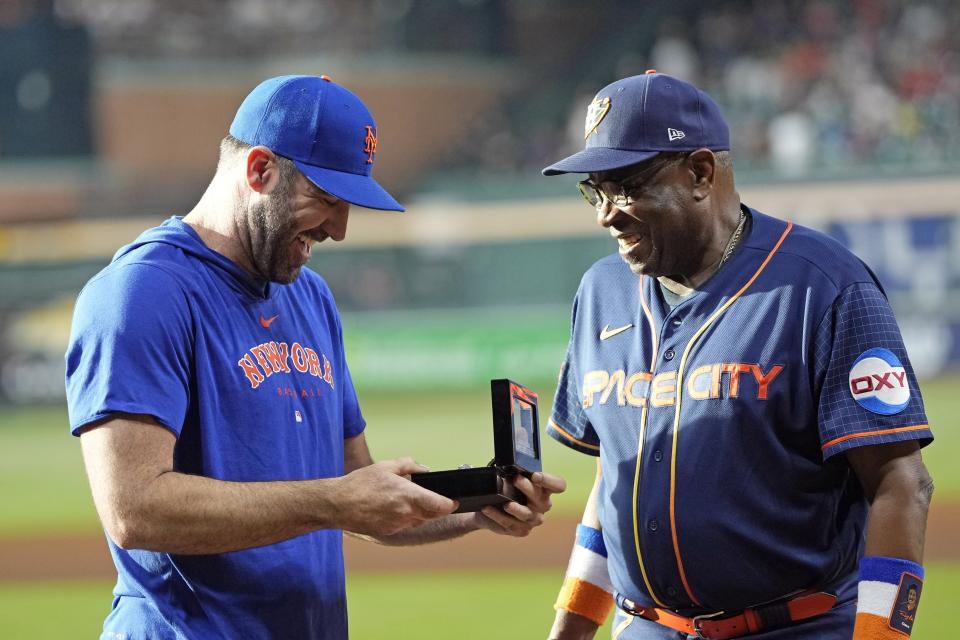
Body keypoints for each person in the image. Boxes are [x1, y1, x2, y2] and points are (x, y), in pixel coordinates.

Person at [64, 74, 565, 640]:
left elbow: (355, 489)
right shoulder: (142, 293)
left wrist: (475, 508)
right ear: (260, 171)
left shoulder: (309, 295)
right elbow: (135, 509)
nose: (340, 228)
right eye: (326, 198)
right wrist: (332, 501)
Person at [540, 71, 933, 639]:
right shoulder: (602, 292)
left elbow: (900, 481)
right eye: (595, 190)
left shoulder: (823, 286)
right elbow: (614, 482)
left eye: (625, 186)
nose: (606, 213)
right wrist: (569, 633)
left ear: (700, 172)